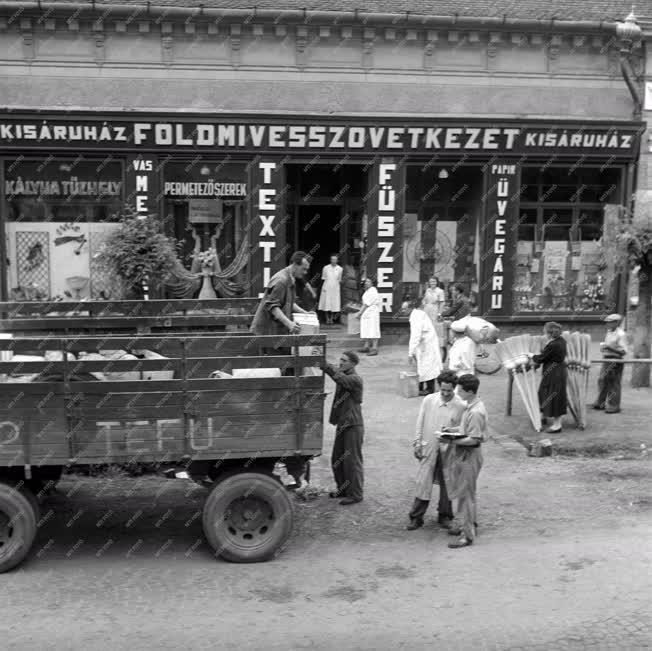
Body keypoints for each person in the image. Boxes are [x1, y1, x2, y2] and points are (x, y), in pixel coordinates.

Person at [407, 371, 466, 531]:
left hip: (449, 450)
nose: (446, 393)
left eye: (449, 390)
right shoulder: (429, 400)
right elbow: (420, 422)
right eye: (443, 390)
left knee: (448, 483)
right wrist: (417, 443)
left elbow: (463, 429)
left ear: (454, 388)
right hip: (429, 446)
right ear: (439, 387)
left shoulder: (461, 405)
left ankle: (445, 516)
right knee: (423, 482)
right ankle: (416, 517)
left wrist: (452, 433)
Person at [439, 374, 488, 549]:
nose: (457, 392)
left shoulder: (475, 411)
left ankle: (467, 536)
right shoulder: (471, 406)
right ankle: (470, 525)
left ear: (469, 391)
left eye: (460, 389)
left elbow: (474, 439)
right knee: (467, 494)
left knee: (466, 496)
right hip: (466, 455)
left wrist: (450, 440)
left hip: (469, 456)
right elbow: (465, 430)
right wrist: (451, 431)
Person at [251, 251, 311, 376]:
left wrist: (305, 313)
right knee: (274, 369)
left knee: (282, 366)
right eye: (303, 269)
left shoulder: (290, 279)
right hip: (268, 331)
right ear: (295, 264)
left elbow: (290, 302)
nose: (305, 273)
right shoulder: (281, 280)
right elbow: (272, 306)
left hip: (276, 331)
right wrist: (289, 324)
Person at [322, 350, 364, 505]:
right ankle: (343, 489)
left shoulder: (354, 379)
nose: (340, 362)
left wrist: (324, 365)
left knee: (352, 461)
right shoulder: (344, 374)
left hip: (353, 425)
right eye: (340, 359)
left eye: (344, 360)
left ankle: (356, 495)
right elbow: (337, 374)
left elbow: (340, 379)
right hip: (343, 423)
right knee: (337, 459)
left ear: (353, 364)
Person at [532, 321, 567, 433]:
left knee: (554, 395)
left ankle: (557, 425)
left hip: (553, 373)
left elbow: (542, 358)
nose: (543, 333)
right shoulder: (561, 341)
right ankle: (543, 416)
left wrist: (531, 355)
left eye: (545, 331)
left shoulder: (553, 344)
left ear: (549, 333)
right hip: (558, 370)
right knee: (543, 392)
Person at [593, 313, 628, 414]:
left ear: (616, 323)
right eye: (607, 322)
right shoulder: (609, 332)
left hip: (616, 360)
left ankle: (614, 405)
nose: (607, 324)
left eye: (610, 322)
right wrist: (604, 348)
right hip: (607, 358)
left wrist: (609, 347)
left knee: (614, 383)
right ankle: (600, 402)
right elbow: (607, 345)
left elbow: (623, 351)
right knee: (602, 380)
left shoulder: (621, 334)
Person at [408, 298, 442, 395]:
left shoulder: (416, 316)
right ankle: (421, 387)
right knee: (422, 365)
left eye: (404, 309)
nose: (402, 311)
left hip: (427, 343)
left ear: (410, 308)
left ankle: (430, 389)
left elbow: (415, 335)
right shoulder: (416, 314)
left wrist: (410, 353)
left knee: (428, 365)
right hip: (424, 342)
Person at [422, 277, 447, 362]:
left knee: (434, 329)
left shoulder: (440, 291)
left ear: (437, 282)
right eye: (431, 281)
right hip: (427, 309)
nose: (432, 283)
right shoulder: (427, 290)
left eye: (434, 281)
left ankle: (435, 349)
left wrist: (439, 313)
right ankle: (427, 347)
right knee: (426, 328)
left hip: (435, 310)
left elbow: (442, 303)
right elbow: (424, 300)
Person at [355, 277, 381, 356]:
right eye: (366, 281)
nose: (366, 283)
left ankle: (374, 348)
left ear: (372, 283)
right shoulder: (367, 291)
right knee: (366, 329)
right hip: (366, 313)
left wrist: (359, 313)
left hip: (372, 313)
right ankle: (366, 346)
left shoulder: (373, 291)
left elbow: (366, 304)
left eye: (368, 281)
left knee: (373, 330)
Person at [318, 254, 343, 325]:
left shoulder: (340, 269)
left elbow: (339, 279)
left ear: (337, 260)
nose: (333, 261)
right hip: (327, 286)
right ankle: (327, 318)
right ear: (330, 260)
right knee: (326, 303)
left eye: (335, 259)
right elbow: (323, 278)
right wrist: (324, 288)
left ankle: (331, 318)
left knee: (333, 303)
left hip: (335, 288)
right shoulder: (326, 268)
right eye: (332, 259)